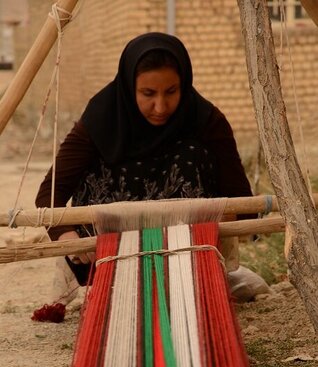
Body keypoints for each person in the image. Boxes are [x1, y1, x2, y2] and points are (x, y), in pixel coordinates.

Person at [36, 32, 270, 302]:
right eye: (148, 93)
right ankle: (116, 281)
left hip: (186, 257)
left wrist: (209, 224)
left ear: (184, 83)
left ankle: (186, 278)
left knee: (191, 153)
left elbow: (243, 204)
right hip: (111, 258)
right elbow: (48, 196)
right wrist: (72, 241)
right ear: (128, 86)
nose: (160, 106)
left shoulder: (206, 121)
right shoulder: (101, 120)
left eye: (171, 92)